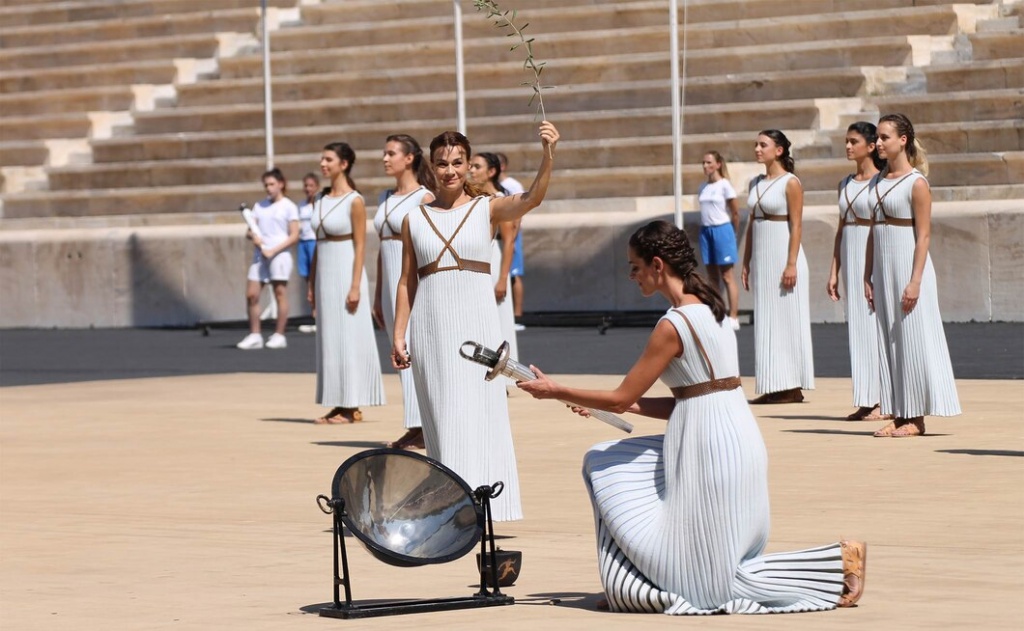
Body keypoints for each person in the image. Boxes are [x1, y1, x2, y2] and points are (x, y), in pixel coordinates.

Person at [517, 220, 865, 615]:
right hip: (733, 441)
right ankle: (630, 585)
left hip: (710, 452)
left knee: (713, 588)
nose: (632, 276)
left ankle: (836, 565)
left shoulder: (673, 325)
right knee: (717, 570)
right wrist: (620, 406)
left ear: (658, 264)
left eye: (635, 266)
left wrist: (555, 390)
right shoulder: (711, 308)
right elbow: (691, 399)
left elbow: (620, 396)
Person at [391, 122, 560, 522]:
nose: (449, 170)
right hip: (431, 326)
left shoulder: (489, 208)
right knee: (443, 414)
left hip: (476, 324)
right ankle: (452, 507)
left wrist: (548, 154)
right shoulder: (413, 219)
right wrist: (399, 334)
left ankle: (485, 504)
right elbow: (406, 281)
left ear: (469, 166)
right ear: (431, 168)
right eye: (442, 163)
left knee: (480, 411)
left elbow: (533, 198)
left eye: (457, 162)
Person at [865, 113, 961, 437]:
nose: (877, 143)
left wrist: (916, 280)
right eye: (877, 137)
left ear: (902, 140)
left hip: (909, 267)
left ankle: (916, 417)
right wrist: (868, 274)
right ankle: (898, 411)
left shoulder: (916, 183)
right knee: (889, 339)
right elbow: (872, 231)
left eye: (884, 137)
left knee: (912, 337)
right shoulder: (877, 181)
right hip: (883, 267)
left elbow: (924, 236)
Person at [309, 142, 385, 424]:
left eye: (328, 159)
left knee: (348, 337)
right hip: (324, 274)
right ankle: (338, 402)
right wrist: (311, 283)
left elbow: (361, 246)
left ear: (344, 164)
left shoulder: (354, 200)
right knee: (329, 339)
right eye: (322, 158)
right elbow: (317, 243)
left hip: (345, 272)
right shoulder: (319, 198)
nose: (323, 164)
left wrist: (355, 286)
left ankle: (352, 405)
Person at [740, 129, 814, 404]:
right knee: (768, 323)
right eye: (756, 144)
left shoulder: (790, 183)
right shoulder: (755, 182)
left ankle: (792, 386)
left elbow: (796, 225)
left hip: (784, 257)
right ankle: (773, 385)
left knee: (786, 321)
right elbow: (752, 224)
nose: (757, 149)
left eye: (763, 145)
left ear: (779, 150)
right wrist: (746, 261)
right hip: (763, 258)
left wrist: (791, 263)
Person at [373, 134, 435, 448]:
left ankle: (425, 424)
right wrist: (377, 293)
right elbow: (381, 249)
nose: (385, 159)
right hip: (389, 282)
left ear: (409, 158)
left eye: (391, 153)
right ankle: (414, 423)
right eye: (384, 153)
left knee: (412, 350)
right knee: (397, 353)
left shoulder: (424, 197)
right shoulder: (385, 196)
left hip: (411, 282)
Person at [826, 123, 887, 421]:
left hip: (872, 253)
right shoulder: (844, 183)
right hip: (849, 254)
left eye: (854, 141)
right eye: (846, 141)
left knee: (873, 327)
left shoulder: (882, 181)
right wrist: (834, 270)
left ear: (871, 145)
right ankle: (866, 398)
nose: (848, 146)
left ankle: (882, 400)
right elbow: (840, 229)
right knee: (858, 330)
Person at [237, 168, 299, 350]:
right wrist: (253, 237)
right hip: (260, 255)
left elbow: (294, 234)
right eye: (266, 185)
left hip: (279, 255)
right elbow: (251, 229)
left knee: (280, 293)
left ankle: (280, 335)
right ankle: (255, 334)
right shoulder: (259, 206)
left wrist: (274, 250)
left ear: (281, 184)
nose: (269, 188)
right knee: (252, 294)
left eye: (272, 184)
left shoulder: (289, 206)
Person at [469, 151, 519, 363]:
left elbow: (509, 240)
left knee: (499, 317)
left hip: (495, 259)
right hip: (478, 257)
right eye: (471, 166)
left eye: (477, 166)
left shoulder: (501, 200)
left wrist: (502, 278)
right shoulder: (473, 199)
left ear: (491, 172)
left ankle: (504, 369)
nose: (471, 170)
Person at [697, 151, 741, 331]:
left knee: (727, 276)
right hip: (706, 231)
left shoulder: (725, 186)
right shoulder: (703, 187)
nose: (705, 166)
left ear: (718, 164)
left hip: (722, 229)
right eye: (703, 163)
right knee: (712, 276)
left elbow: (735, 213)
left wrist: (732, 233)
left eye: (709, 162)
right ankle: (717, 312)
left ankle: (734, 316)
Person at [498, 152, 527, 331]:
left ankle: (517, 314)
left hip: (512, 233)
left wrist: (514, 235)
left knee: (514, 274)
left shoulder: (512, 185)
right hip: (501, 235)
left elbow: (519, 209)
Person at [297, 173, 320, 333]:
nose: (308, 189)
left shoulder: (319, 204)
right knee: (307, 278)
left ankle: (318, 315)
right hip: (303, 242)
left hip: (314, 242)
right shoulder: (300, 205)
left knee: (316, 278)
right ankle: (314, 312)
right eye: (306, 186)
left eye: (311, 186)